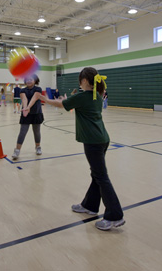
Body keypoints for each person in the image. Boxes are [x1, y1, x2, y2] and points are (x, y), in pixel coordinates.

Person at [40, 67, 125, 231]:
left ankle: (115, 215)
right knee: (97, 175)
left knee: (101, 177)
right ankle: (90, 206)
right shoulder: (98, 96)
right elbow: (73, 103)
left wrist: (44, 98)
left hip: (93, 142)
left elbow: (60, 104)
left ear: (85, 81)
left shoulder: (84, 96)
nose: (79, 82)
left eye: (80, 80)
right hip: (102, 139)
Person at [12, 75, 44, 160]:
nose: (29, 80)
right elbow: (24, 99)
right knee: (22, 132)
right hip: (26, 114)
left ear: (35, 81)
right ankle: (17, 150)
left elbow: (35, 98)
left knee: (36, 132)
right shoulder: (23, 90)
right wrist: (26, 108)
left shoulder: (38, 89)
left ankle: (38, 147)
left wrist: (28, 107)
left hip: (36, 113)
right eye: (27, 79)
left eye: (31, 79)